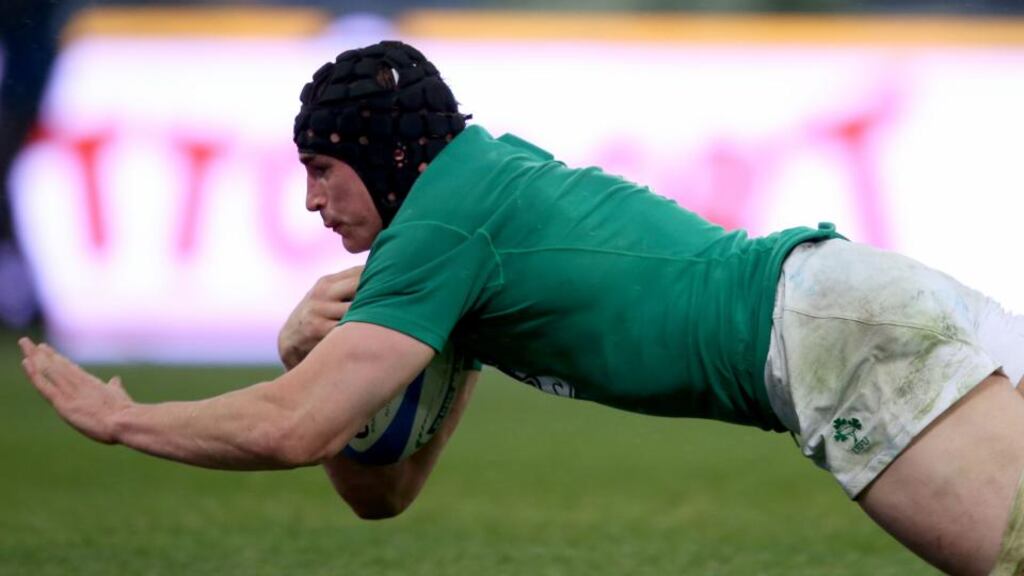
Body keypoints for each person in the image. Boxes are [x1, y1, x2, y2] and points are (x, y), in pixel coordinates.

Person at [17, 40, 1024, 575]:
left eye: (323, 169)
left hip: (832, 340)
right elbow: (382, 495)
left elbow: (292, 431)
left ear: (382, 153)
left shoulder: (443, 225)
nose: (312, 201)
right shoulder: (453, 227)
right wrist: (307, 368)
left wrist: (122, 419)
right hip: (841, 313)